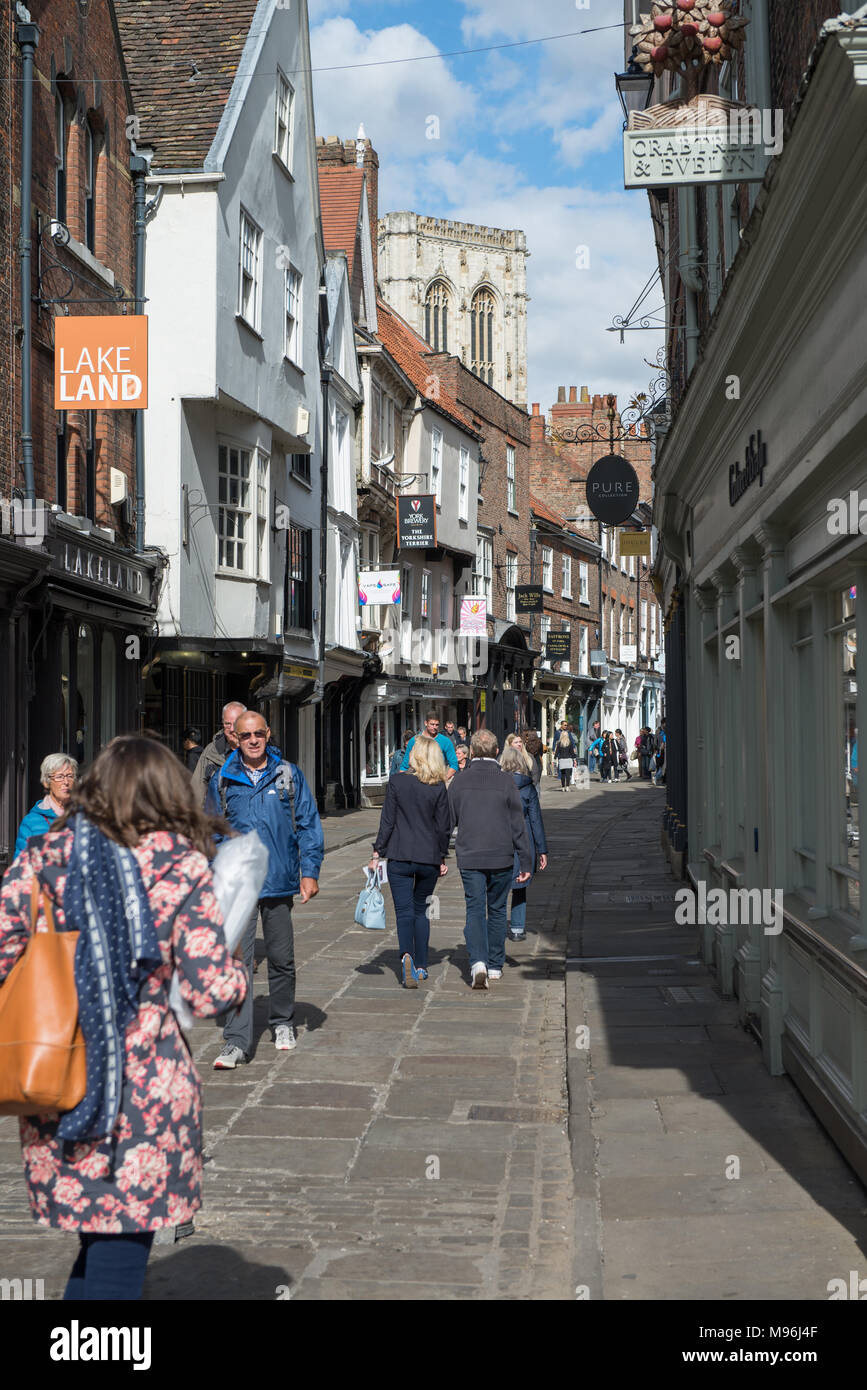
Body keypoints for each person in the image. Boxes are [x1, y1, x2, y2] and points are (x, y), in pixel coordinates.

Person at [0, 736, 247, 1301]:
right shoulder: (180, 867)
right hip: (144, 1092)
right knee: (119, 1254)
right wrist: (239, 977)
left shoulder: (41, 859)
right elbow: (209, 991)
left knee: (99, 1245)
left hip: (59, 1079)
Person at [206, 710, 323, 1068]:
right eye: (246, 736)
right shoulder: (223, 779)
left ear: (268, 734)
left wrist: (310, 871)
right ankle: (236, 1041)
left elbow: (307, 823)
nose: (253, 740)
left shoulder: (288, 774)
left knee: (281, 958)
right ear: (234, 739)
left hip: (277, 879)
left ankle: (283, 1020)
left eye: (259, 734)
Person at [449, 729, 532, 989]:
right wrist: (526, 860)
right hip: (501, 856)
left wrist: (439, 854)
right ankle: (495, 965)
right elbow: (518, 824)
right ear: (496, 751)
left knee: (474, 909)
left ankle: (478, 963)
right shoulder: (507, 781)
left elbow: (447, 821)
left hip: (470, 855)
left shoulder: (460, 781)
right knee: (497, 910)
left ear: (471, 751)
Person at [368, 735, 451, 988]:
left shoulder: (397, 782)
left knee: (403, 912)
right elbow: (444, 827)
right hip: (428, 858)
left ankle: (406, 956)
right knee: (422, 911)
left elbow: (388, 821)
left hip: (400, 856)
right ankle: (423, 966)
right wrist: (441, 855)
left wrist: (377, 852)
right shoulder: (438, 787)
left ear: (414, 756)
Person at [499, 745, 548, 943]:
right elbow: (536, 820)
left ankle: (499, 925)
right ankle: (518, 928)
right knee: (520, 883)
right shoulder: (528, 788)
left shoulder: (497, 785)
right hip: (524, 840)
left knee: (499, 886)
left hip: (500, 840)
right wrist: (542, 849)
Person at [14, 754, 78, 855]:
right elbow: (21, 865)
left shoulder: (84, 816)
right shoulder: (31, 822)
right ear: (46, 782)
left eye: (70, 776)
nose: (66, 782)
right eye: (59, 777)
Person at [190, 701, 247, 805]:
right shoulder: (211, 751)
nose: (232, 729)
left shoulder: (258, 749)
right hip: (219, 818)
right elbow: (196, 789)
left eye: (236, 723)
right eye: (227, 724)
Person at [401, 711, 459, 776]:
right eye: (432, 724)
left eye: (437, 725)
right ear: (426, 723)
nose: (434, 727)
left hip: (437, 780)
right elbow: (404, 766)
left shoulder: (445, 741)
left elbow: (454, 764)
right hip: (417, 780)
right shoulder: (414, 740)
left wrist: (445, 779)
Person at [555, 723, 578, 791]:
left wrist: (554, 759)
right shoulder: (569, 743)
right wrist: (574, 759)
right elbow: (572, 752)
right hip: (568, 759)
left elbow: (557, 752)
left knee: (562, 774)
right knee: (568, 774)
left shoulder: (559, 743)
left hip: (561, 759)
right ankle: (567, 787)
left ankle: (562, 787)